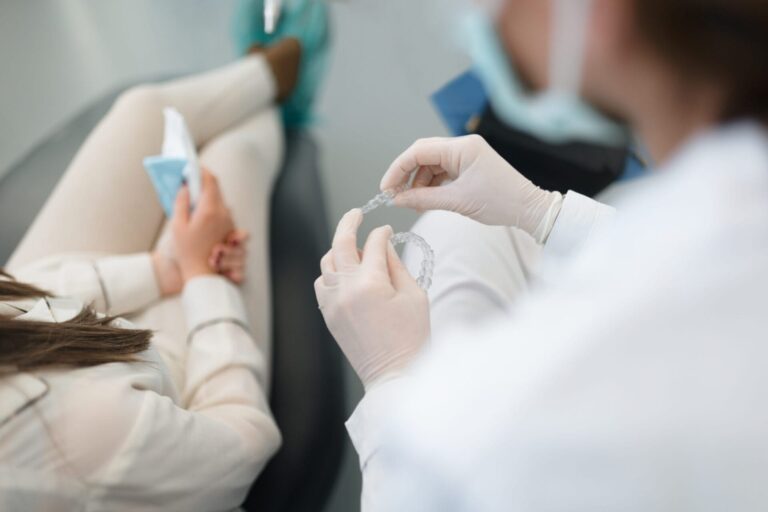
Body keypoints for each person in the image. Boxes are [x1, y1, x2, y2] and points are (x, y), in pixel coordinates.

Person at [315, 0, 768, 509]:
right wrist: (541, 212)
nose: (477, 25)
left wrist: (392, 378)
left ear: (599, 13)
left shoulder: (541, 403)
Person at [0, 0, 329, 505]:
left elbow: (26, 296)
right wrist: (203, 280)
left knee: (145, 109)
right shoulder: (66, 440)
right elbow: (242, 444)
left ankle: (267, 70)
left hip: (66, 342)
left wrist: (163, 269)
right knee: (229, 157)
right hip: (157, 392)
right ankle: (280, 85)